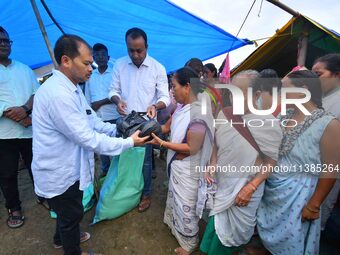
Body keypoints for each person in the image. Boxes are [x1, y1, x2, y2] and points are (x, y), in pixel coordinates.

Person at [32, 34, 148, 255]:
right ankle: (72, 249)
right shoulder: (58, 94)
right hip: (59, 170)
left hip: (69, 166)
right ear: (66, 60)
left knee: (69, 211)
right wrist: (128, 142)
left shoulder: (73, 89)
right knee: (70, 213)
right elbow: (88, 137)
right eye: (86, 63)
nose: (91, 68)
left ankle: (63, 238)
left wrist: (117, 129)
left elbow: (92, 120)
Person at [257, 70, 340, 255]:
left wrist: (314, 204)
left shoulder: (329, 124)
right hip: (274, 188)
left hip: (299, 196)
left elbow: (331, 168)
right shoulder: (284, 116)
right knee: (270, 233)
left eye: (284, 89)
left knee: (292, 238)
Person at [199, 70, 282, 255]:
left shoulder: (269, 123)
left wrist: (251, 187)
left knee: (233, 238)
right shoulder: (224, 114)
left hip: (244, 193)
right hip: (222, 187)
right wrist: (212, 164)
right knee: (215, 228)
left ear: (257, 94)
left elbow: (271, 162)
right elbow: (215, 144)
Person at [148, 67, 214, 255]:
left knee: (186, 205)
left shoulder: (199, 112)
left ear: (187, 86)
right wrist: (148, 129)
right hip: (176, 163)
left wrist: (162, 144)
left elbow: (192, 147)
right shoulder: (180, 106)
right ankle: (175, 226)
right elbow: (167, 127)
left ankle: (189, 242)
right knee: (176, 199)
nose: (171, 90)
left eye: (174, 86)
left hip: (188, 167)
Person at [109, 27, 170, 212]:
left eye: (139, 50)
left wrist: (155, 106)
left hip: (146, 122)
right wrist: (117, 101)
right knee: (125, 158)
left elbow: (165, 97)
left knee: (145, 162)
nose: (135, 55)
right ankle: (127, 191)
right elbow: (113, 90)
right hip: (126, 121)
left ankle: (146, 194)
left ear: (147, 46)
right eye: (131, 50)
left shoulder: (158, 68)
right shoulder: (119, 65)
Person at [0, 26, 40, 228]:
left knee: (37, 166)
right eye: (0, 41)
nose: (3, 44)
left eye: (6, 41)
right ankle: (14, 207)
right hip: (3, 133)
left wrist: (25, 109)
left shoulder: (24, 69)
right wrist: (14, 114)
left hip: (29, 130)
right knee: (7, 173)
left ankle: (43, 196)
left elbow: (37, 93)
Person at [312, 53, 340, 231]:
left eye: (318, 74)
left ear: (337, 74)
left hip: (324, 176)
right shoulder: (319, 99)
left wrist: (315, 202)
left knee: (313, 218)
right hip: (306, 173)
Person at [85, 43, 120, 176]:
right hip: (98, 118)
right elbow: (88, 99)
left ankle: (118, 172)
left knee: (117, 145)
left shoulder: (114, 73)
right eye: (97, 55)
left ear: (108, 57)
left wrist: (100, 102)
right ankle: (106, 171)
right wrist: (90, 112)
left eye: (103, 55)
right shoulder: (90, 76)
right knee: (102, 148)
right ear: (93, 57)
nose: (100, 58)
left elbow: (118, 94)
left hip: (114, 116)